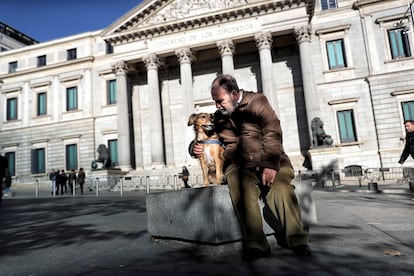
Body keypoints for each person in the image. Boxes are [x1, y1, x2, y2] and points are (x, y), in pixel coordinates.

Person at [192, 74, 311, 261]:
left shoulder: (257, 102)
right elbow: (201, 133)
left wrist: (270, 164)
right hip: (239, 165)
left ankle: (298, 240)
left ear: (234, 93)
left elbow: (272, 132)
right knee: (241, 188)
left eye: (219, 101)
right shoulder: (219, 117)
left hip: (270, 159)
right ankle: (255, 245)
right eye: (215, 102)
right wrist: (194, 148)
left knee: (280, 189)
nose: (217, 106)